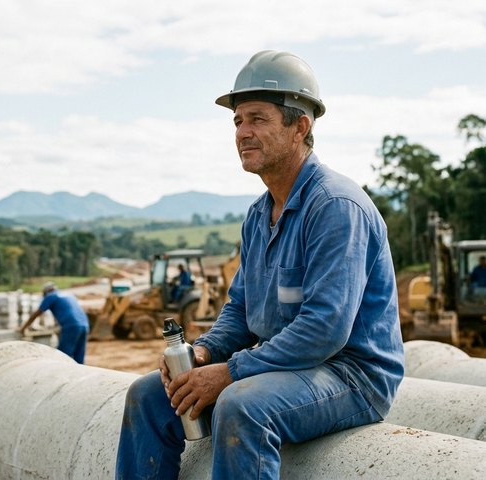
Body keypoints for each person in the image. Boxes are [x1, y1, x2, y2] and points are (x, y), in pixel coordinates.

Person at [116, 50, 405, 479]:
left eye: (257, 119)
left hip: (350, 376)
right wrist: (203, 352)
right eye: (237, 121)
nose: (242, 132)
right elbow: (241, 310)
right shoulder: (258, 215)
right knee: (148, 395)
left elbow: (325, 328)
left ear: (299, 127)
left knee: (242, 404)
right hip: (285, 369)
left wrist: (230, 371)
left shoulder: (336, 208)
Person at [20, 282, 90, 363]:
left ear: (45, 292)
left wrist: (24, 327)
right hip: (85, 325)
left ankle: (62, 375)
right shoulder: (68, 295)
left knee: (63, 356)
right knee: (79, 356)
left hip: (71, 326)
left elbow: (37, 314)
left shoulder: (51, 296)